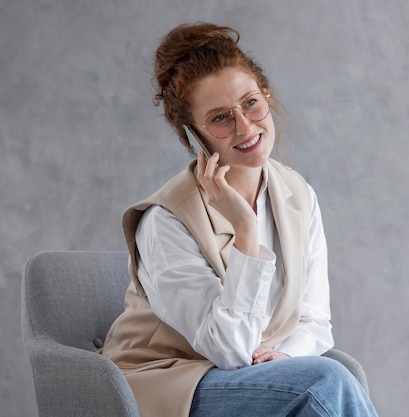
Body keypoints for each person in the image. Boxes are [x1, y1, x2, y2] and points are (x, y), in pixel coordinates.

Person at [100, 22, 378, 417]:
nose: (245, 127)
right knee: (323, 384)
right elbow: (229, 350)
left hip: (256, 376)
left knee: (323, 378)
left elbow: (315, 319)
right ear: (194, 135)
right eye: (220, 118)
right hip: (172, 382)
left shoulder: (297, 194)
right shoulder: (165, 221)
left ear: (266, 95)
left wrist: (283, 357)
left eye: (250, 103)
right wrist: (246, 229)